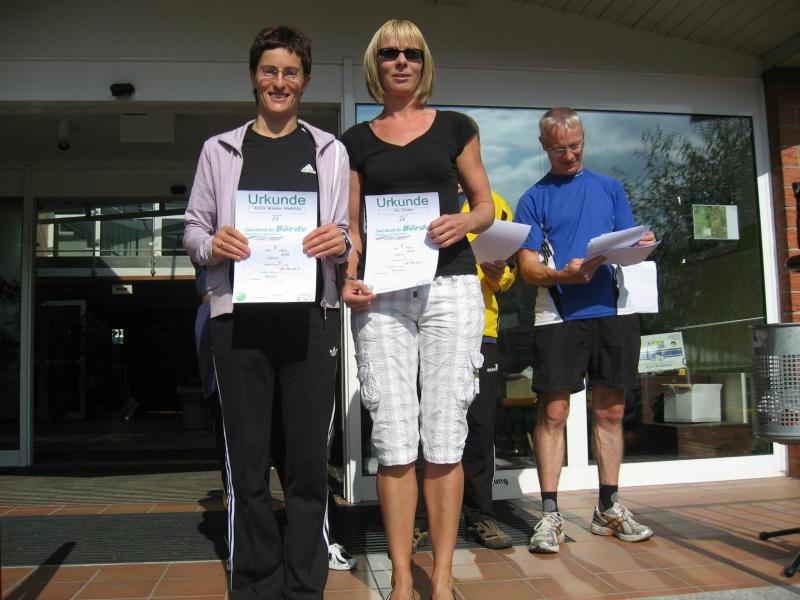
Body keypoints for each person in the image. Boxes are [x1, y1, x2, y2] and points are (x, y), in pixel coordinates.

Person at [183, 25, 350, 600]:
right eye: (269, 71)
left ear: (305, 81)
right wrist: (213, 245)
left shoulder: (328, 150)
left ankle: (304, 584)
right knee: (247, 459)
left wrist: (340, 242)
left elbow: (346, 234)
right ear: (254, 77)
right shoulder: (219, 150)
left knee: (307, 461)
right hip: (239, 320)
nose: (280, 82)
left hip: (311, 320)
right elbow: (193, 229)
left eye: (290, 72)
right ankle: (255, 582)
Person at [340, 19, 494, 600]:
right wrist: (349, 277)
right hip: (382, 297)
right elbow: (352, 227)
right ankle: (403, 579)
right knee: (395, 438)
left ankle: (444, 575)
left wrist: (463, 221)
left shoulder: (456, 128)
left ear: (424, 63)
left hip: (450, 288)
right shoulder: (355, 141)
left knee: (446, 436)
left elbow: (484, 204)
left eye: (411, 53)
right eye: (389, 54)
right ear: (375, 65)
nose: (400, 62)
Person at [514, 106, 655, 554]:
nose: (569, 155)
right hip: (558, 313)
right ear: (544, 146)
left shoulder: (610, 188)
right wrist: (563, 275)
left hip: (613, 310)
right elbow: (528, 269)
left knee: (611, 412)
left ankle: (608, 507)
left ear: (583, 140)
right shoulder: (533, 198)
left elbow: (626, 244)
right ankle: (550, 514)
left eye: (575, 146)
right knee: (554, 413)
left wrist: (642, 244)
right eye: (559, 148)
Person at [414, 184, 517, 552]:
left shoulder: (495, 204)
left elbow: (509, 276)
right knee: (423, 422)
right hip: (424, 325)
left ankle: (479, 516)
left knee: (479, 426)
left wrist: (499, 272)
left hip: (481, 329)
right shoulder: (420, 196)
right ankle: (418, 521)